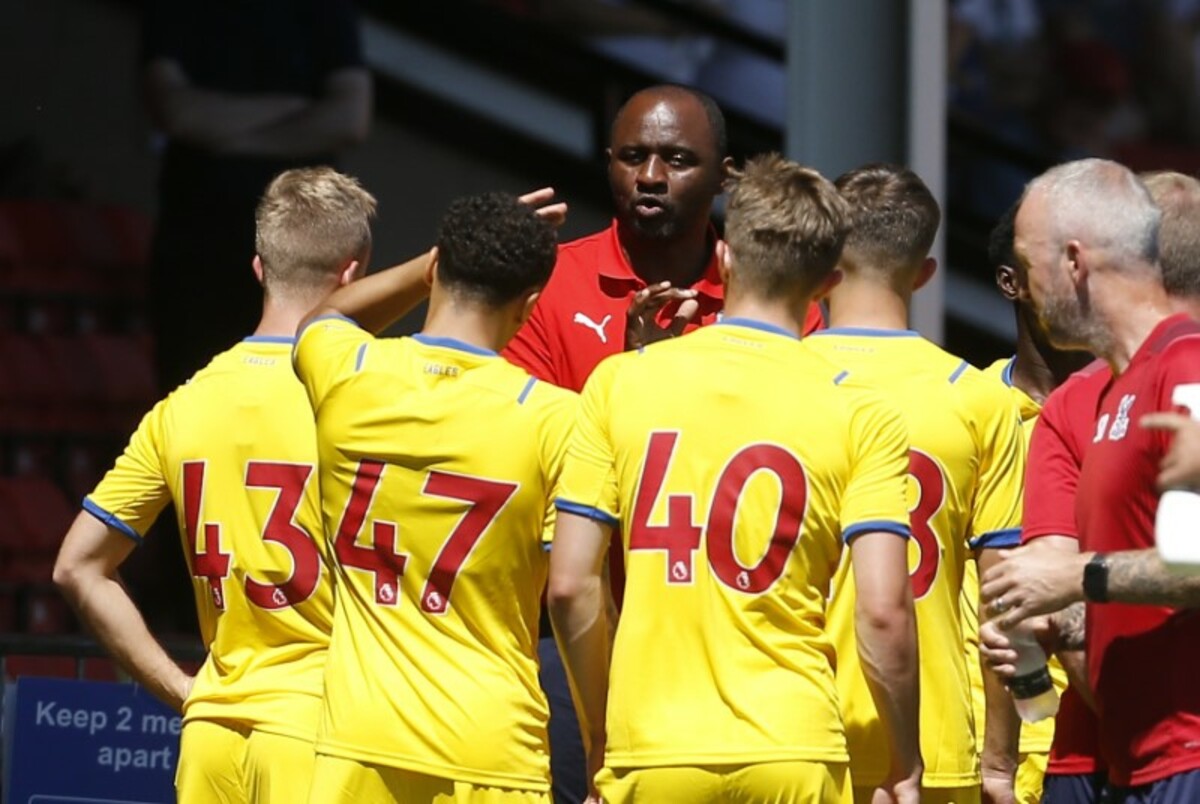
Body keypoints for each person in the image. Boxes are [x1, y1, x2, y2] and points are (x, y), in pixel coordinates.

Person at [548, 153, 921, 804]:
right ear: (828, 284)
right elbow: (883, 611)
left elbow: (570, 586)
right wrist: (905, 758)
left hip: (651, 748)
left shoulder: (620, 382)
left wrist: (600, 733)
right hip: (793, 745)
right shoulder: (863, 412)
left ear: (723, 260)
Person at [503, 83, 822, 803]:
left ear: (724, 177)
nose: (650, 176)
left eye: (676, 159)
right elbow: (520, 455)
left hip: (743, 644)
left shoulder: (775, 295)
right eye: (632, 156)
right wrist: (631, 381)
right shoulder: (551, 283)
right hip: (574, 641)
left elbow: (810, 448)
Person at [53, 167, 380, 803]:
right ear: (352, 274)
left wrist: (186, 692)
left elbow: (76, 567)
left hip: (213, 739)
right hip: (327, 733)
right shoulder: (370, 395)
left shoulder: (185, 402)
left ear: (259, 268)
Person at [295, 192, 574, 803]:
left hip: (358, 736)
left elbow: (326, 315)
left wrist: (434, 260)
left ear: (435, 268)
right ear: (530, 305)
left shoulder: (348, 371)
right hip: (491, 745)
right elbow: (573, 588)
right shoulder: (557, 418)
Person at [802, 164, 1025, 804]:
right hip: (933, 741)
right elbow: (1004, 606)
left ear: (824, 260)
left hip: (794, 731)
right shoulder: (979, 398)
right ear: (925, 273)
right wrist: (999, 762)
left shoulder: (775, 380)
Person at [981, 159, 1200, 800]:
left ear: (1074, 262)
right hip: (1138, 759)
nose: (1026, 286)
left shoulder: (1186, 367)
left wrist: (1073, 578)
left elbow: (1194, 563)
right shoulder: (1108, 392)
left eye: (1030, 262)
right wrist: (1059, 622)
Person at [141, 0, 372, 391]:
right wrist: (298, 110)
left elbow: (350, 117)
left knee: (298, 385)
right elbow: (175, 110)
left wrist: (226, 138)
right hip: (199, 244)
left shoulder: (322, 10)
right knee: (195, 385)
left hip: (304, 245)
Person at [970, 201, 1094, 804]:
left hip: (1096, 737)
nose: (1078, 279)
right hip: (983, 747)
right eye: (1054, 260)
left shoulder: (1132, 412)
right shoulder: (966, 412)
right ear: (1010, 281)